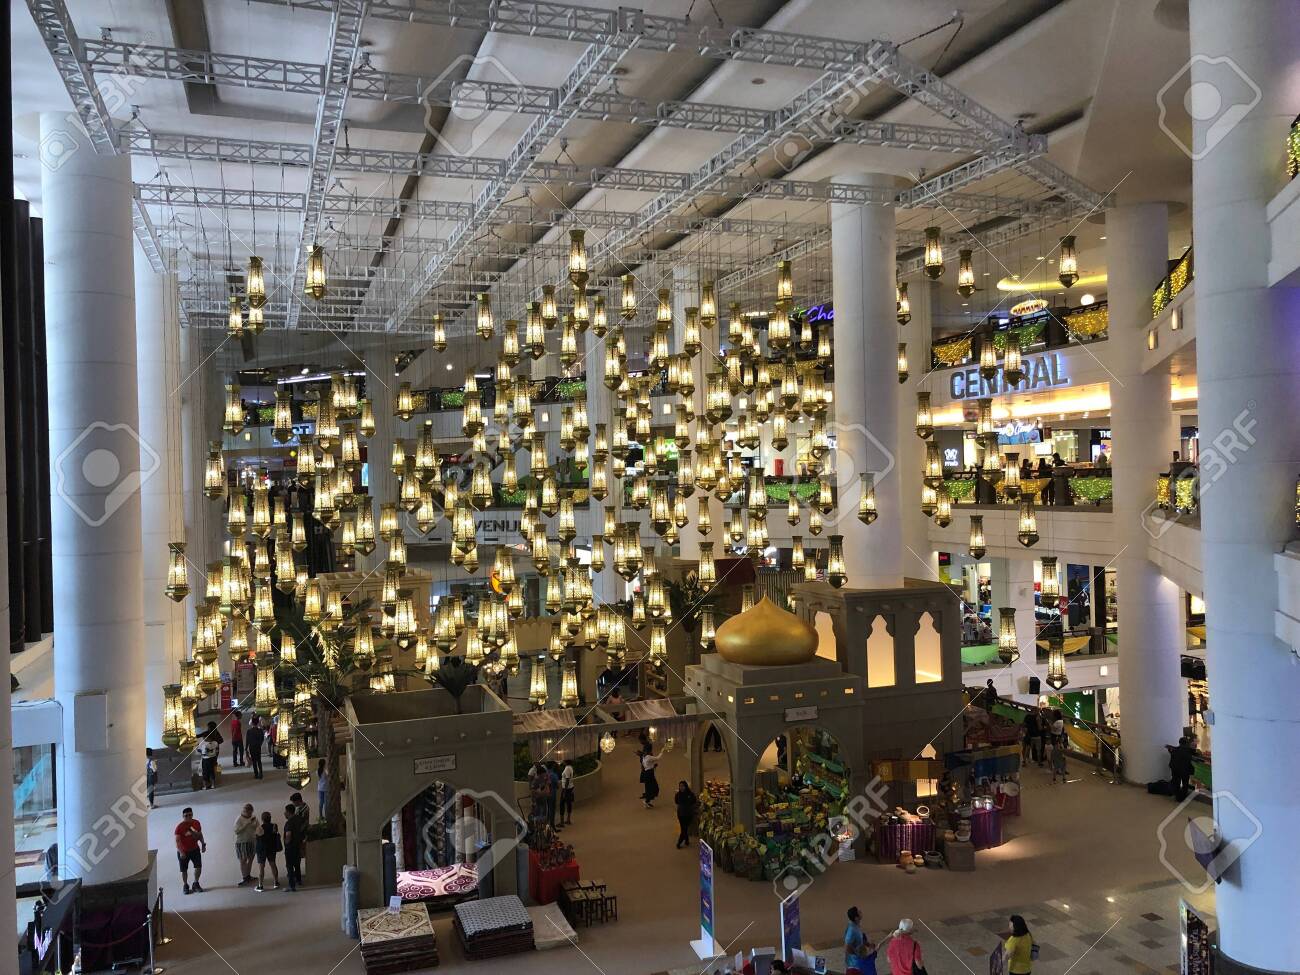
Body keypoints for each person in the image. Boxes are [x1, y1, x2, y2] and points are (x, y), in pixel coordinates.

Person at [174, 807, 206, 894]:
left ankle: (196, 883)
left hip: (195, 849)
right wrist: (181, 852)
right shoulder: (179, 827)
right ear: (183, 816)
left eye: (190, 815)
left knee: (198, 867)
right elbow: (177, 841)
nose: (188, 817)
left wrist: (203, 844)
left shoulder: (196, 823)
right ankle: (185, 885)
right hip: (184, 851)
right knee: (184, 870)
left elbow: (200, 834)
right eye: (186, 816)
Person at [844, 906, 878, 975]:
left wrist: (868, 944)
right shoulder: (852, 930)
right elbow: (847, 947)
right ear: (856, 918)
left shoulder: (856, 925)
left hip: (860, 962)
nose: (860, 912)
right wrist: (859, 955)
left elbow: (859, 939)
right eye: (859, 912)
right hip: (855, 965)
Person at [254, 810, 282, 891]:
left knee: (261, 867)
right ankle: (276, 882)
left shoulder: (260, 828)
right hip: (271, 848)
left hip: (262, 849)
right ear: (270, 818)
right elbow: (275, 835)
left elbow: (257, 838)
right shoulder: (274, 826)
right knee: (273, 865)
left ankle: (260, 885)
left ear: (262, 819)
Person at [283, 803, 306, 891]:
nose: (284, 813)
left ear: (289, 812)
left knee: (289, 866)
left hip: (290, 847)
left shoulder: (289, 823)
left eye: (285, 811)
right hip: (298, 844)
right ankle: (299, 880)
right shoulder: (299, 819)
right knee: (297, 864)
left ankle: (292, 885)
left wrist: (286, 842)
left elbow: (288, 835)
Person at [234, 803, 258, 886]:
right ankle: (244, 878)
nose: (248, 814)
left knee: (250, 859)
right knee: (243, 860)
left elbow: (257, 827)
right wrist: (247, 823)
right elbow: (236, 831)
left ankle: (248, 876)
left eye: (250, 812)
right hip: (242, 842)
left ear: (252, 811)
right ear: (244, 811)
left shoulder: (254, 818)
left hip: (252, 841)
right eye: (246, 812)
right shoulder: (239, 819)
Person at [1168, 736, 1196, 801]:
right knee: (1185, 783)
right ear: (1186, 743)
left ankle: (1177, 796)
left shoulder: (1175, 749)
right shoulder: (1189, 750)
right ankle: (1182, 797)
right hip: (1185, 770)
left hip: (1175, 769)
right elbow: (1195, 755)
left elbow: (1171, 753)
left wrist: (1169, 750)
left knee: (1176, 782)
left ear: (1179, 743)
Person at [674, 781, 697, 849]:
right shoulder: (678, 794)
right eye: (680, 786)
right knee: (684, 828)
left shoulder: (690, 794)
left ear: (686, 786)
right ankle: (685, 841)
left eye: (683, 786)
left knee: (684, 828)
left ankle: (680, 842)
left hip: (688, 814)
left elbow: (694, 801)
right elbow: (676, 801)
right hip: (681, 814)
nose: (681, 787)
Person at [245, 714, 265, 780]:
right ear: (258, 722)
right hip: (258, 747)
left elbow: (247, 740)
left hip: (252, 747)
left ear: (252, 723)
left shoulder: (249, 731)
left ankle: (256, 774)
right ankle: (261, 773)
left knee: (254, 761)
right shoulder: (260, 731)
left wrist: (246, 748)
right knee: (259, 760)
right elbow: (262, 739)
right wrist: (260, 744)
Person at [559, 760, 576, 826]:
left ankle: (562, 821)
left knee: (562, 804)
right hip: (570, 788)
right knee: (569, 804)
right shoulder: (570, 767)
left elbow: (567, 780)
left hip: (567, 789)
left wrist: (564, 791)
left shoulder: (567, 768)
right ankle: (568, 819)